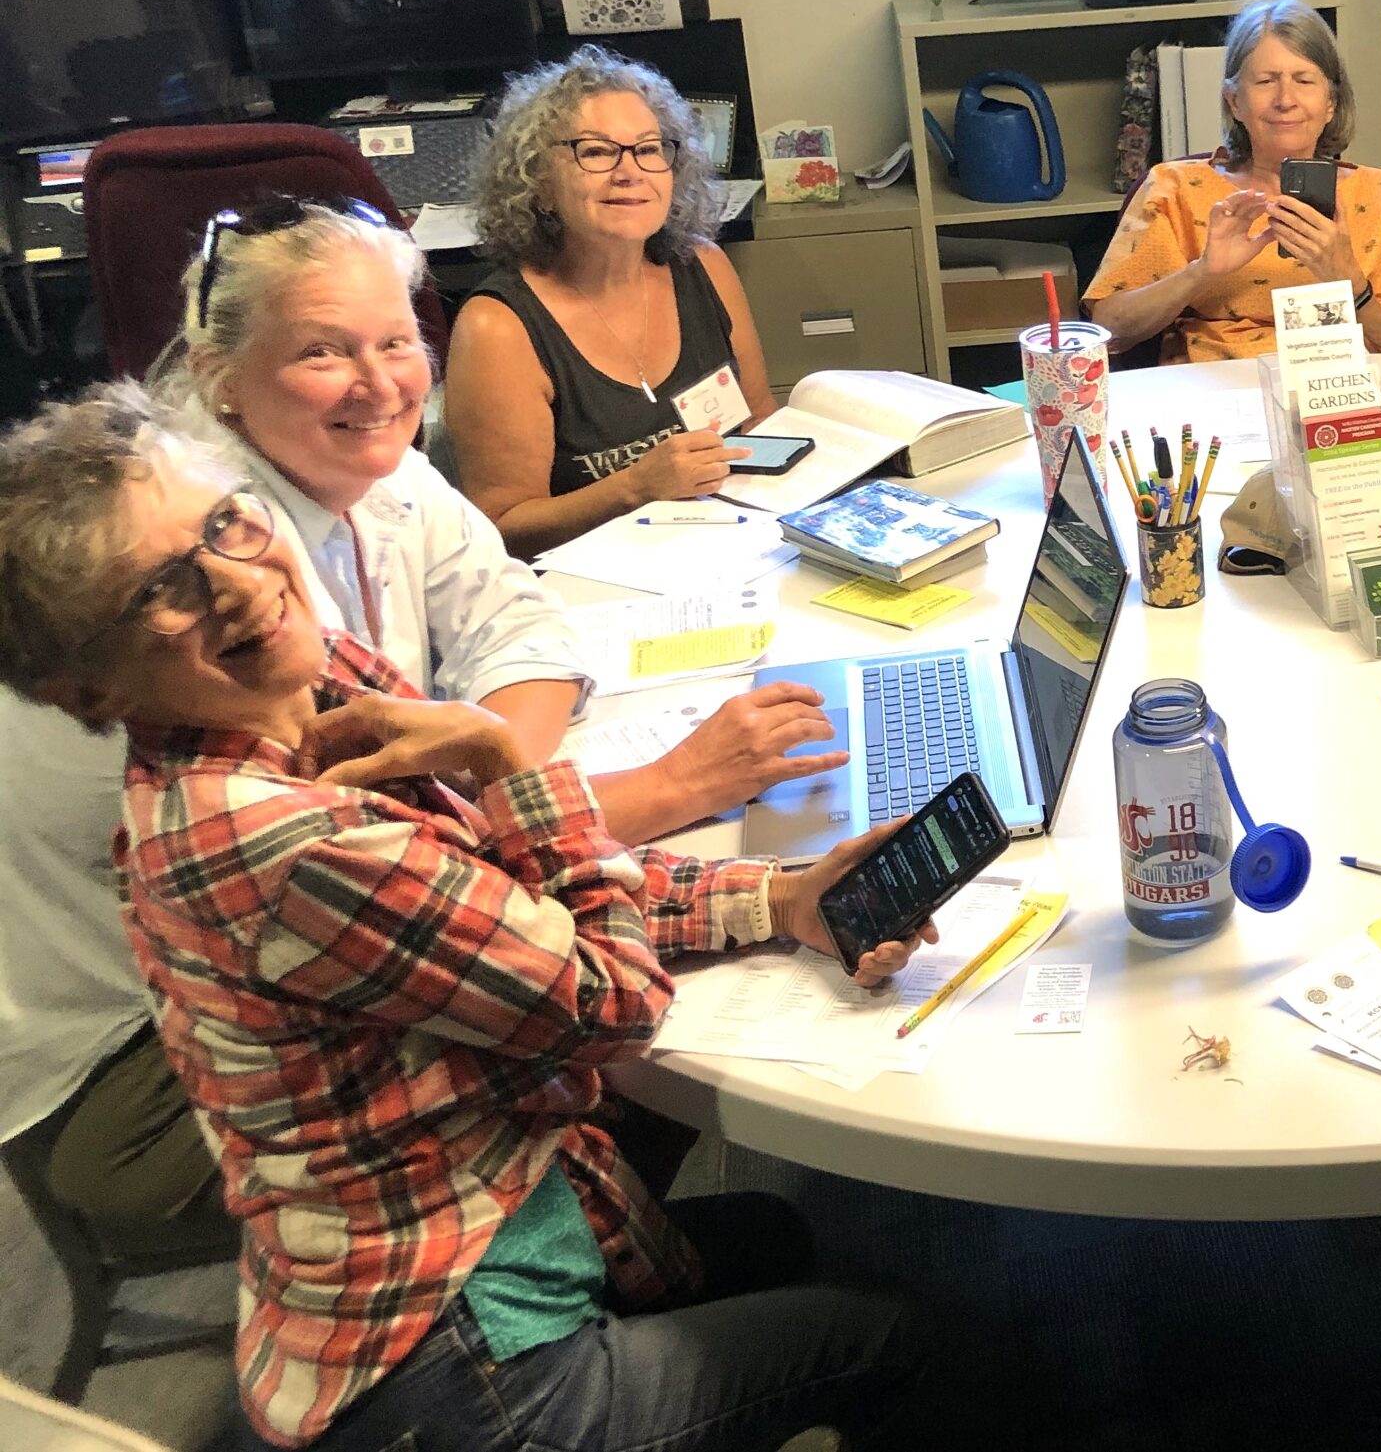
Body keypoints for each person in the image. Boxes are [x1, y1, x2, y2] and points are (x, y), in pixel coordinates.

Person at [0, 383, 930, 1451]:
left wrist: (775, 898)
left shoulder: (315, 691)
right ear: (88, 688)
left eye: (224, 522)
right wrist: (496, 754)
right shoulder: (267, 838)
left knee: (770, 1232)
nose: (235, 582)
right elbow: (608, 999)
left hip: (495, 1220)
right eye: (161, 587)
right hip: (449, 1367)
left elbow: (507, 894)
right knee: (887, 1337)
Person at [0, 198, 846, 1268]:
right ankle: (547, 1298)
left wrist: (493, 777)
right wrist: (654, 789)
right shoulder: (225, 584)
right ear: (218, 376)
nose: (381, 382)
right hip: (130, 1063)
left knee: (587, 969)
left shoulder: (362, 471)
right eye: (322, 351)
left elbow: (516, 626)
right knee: (577, 1042)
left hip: (321, 914)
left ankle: (625, 1260)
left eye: (396, 339)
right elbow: (455, 887)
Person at [446, 47, 777, 557]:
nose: (630, 172)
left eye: (649, 149)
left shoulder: (705, 266)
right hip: (594, 588)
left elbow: (760, 426)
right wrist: (634, 488)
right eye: (596, 152)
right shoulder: (498, 327)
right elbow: (502, 529)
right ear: (538, 184)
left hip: (732, 550)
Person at [1084, 0, 1381, 363]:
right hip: (1218, 394)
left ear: (1331, 102)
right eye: (1266, 81)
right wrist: (1201, 273)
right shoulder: (1173, 188)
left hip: (1338, 391)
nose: (1286, 99)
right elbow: (1108, 332)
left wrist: (1348, 278)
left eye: (1304, 80)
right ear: (1234, 101)